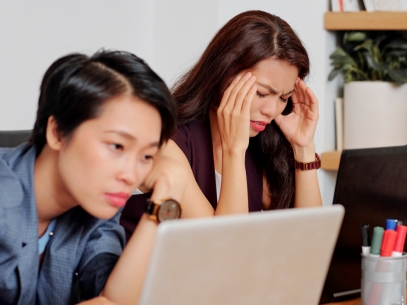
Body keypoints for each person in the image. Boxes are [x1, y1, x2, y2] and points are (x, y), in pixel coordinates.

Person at [0, 50, 188, 305]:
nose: (131, 175)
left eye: (147, 155)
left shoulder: (97, 201)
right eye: (116, 146)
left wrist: (160, 206)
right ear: (58, 132)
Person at [121, 10, 322, 237]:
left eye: (284, 98)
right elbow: (224, 245)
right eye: (261, 93)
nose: (271, 111)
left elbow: (309, 238)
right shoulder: (164, 143)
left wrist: (303, 147)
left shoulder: (262, 145)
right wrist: (234, 150)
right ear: (223, 74)